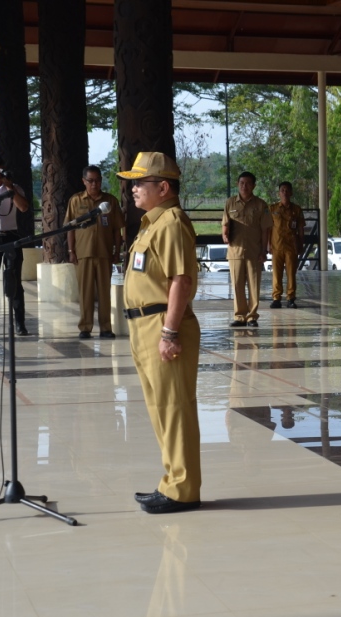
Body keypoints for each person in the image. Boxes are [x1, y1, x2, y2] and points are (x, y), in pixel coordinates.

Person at [118, 151, 202, 513]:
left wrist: (169, 333)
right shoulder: (151, 224)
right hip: (144, 324)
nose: (133, 189)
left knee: (174, 408)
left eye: (139, 182)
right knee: (160, 409)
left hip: (162, 325)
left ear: (162, 187)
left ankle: (182, 490)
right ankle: (170, 481)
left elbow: (181, 279)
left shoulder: (171, 222)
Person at [67, 165, 124, 339]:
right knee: (85, 292)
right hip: (83, 254)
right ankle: (85, 327)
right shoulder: (76, 200)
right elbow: (70, 227)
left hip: (105, 253)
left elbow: (117, 229)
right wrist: (71, 250)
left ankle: (106, 328)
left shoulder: (110, 201)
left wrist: (117, 250)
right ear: (84, 181)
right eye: (90, 180)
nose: (94, 184)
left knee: (105, 293)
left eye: (98, 180)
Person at [0, 154, 31, 335]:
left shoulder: (14, 188)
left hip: (11, 236)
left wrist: (9, 187)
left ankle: (20, 323)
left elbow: (24, 207)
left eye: (0, 170)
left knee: (15, 280)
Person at [222, 171, 271, 327]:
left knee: (254, 285)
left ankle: (252, 317)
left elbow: (265, 230)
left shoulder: (261, 205)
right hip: (235, 251)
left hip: (254, 251)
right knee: (237, 285)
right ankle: (239, 316)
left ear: (254, 186)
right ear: (238, 184)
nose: (245, 186)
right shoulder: (230, 203)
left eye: (248, 183)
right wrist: (225, 233)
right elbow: (225, 223)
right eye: (242, 183)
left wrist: (264, 251)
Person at [268, 181, 305, 309]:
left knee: (291, 273)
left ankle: (291, 298)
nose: (285, 192)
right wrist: (268, 244)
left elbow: (300, 228)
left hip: (291, 246)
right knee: (276, 274)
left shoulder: (296, 209)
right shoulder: (272, 209)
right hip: (276, 246)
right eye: (282, 190)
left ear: (291, 193)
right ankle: (276, 298)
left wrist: (301, 244)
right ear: (279, 193)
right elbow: (268, 228)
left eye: (287, 190)